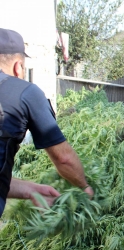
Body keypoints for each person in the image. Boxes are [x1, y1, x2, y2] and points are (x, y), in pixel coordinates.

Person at [0, 28, 94, 217]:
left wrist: (30, 189)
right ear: (18, 67)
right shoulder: (25, 93)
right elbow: (64, 158)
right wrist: (85, 186)